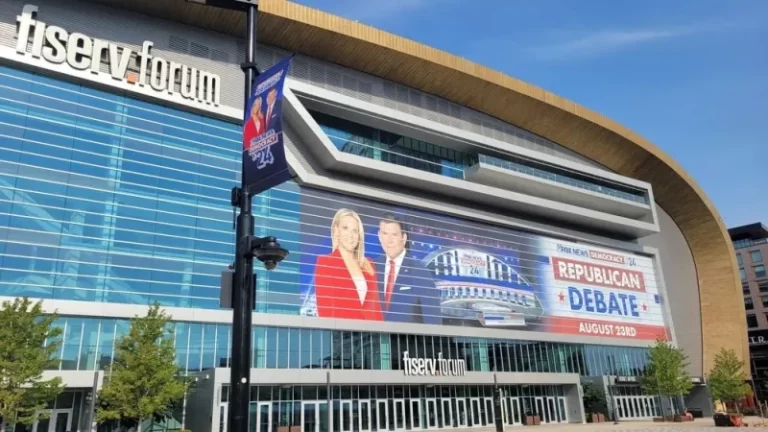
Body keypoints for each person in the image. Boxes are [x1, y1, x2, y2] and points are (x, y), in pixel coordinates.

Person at [313, 209, 382, 321]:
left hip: (371, 331)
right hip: (343, 331)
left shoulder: (369, 264)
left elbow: (377, 310)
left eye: (355, 231)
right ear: (336, 230)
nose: (350, 235)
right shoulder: (325, 263)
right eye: (345, 228)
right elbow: (325, 312)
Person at [376, 214, 441, 324]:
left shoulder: (420, 272)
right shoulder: (373, 266)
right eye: (385, 234)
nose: (389, 240)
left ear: (404, 238)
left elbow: (433, 320)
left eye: (394, 235)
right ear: (379, 236)